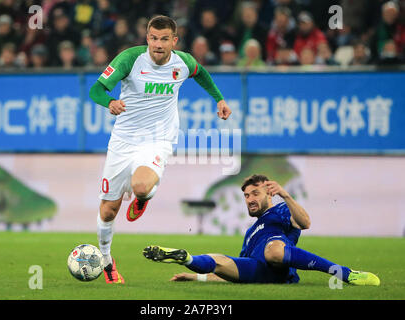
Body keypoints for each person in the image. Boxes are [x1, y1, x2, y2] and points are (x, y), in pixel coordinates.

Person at [88, 15, 232, 284]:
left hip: (158, 139)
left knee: (141, 186)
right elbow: (96, 90)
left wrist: (219, 99)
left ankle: (143, 197)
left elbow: (201, 74)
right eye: (153, 38)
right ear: (147, 38)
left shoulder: (183, 62)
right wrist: (109, 102)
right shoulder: (130, 59)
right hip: (123, 141)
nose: (158, 44)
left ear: (174, 41)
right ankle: (107, 261)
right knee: (108, 210)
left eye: (164, 39)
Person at [143, 174, 380, 286]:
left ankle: (346, 273)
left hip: (278, 266)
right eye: (246, 196)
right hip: (257, 272)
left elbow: (305, 223)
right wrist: (194, 275)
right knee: (220, 260)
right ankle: (187, 258)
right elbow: (231, 274)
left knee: (274, 250)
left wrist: (286, 195)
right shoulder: (251, 232)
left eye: (255, 193)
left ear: (270, 193)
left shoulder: (282, 211)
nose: (249, 199)